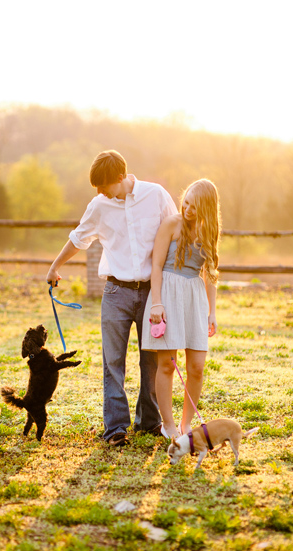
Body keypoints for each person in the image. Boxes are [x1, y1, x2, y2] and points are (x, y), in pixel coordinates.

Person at [46, 150, 177, 447]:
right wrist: (55, 266)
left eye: (104, 185)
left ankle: (149, 421)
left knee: (151, 361)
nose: (100, 192)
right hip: (116, 292)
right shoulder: (99, 205)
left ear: (121, 177)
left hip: (152, 293)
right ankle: (116, 427)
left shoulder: (156, 196)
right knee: (113, 362)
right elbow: (78, 238)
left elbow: (175, 234)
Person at [141, 179, 220, 439]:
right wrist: (157, 303)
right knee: (166, 364)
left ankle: (187, 425)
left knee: (196, 366)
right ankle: (169, 424)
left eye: (194, 207)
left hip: (194, 297)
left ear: (206, 209)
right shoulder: (172, 224)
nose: (187, 210)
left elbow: (210, 274)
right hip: (168, 294)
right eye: (186, 203)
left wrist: (212, 312)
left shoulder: (209, 231)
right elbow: (156, 266)